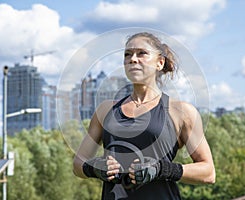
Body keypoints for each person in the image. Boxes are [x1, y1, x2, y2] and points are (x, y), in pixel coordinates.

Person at [73, 32, 215, 200]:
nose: (133, 59)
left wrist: (163, 169)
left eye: (142, 53)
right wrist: (95, 168)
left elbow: (208, 173)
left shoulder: (182, 112)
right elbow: (78, 165)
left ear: (160, 62)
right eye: (127, 54)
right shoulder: (105, 110)